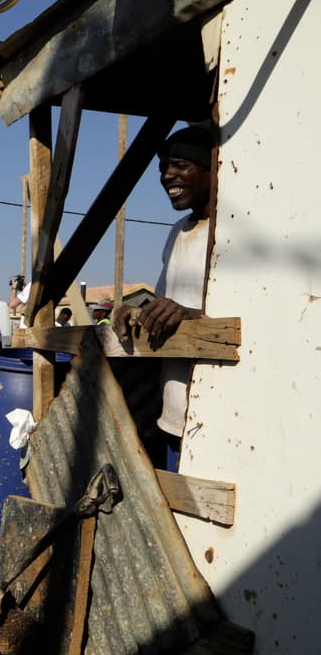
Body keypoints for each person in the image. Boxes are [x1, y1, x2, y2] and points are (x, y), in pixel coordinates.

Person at [113, 123, 213, 472]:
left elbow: (253, 318)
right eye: (163, 168)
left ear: (212, 166)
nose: (167, 175)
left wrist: (189, 315)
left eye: (181, 165)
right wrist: (133, 311)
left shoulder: (232, 233)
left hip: (218, 413)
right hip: (175, 412)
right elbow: (163, 300)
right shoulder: (177, 232)